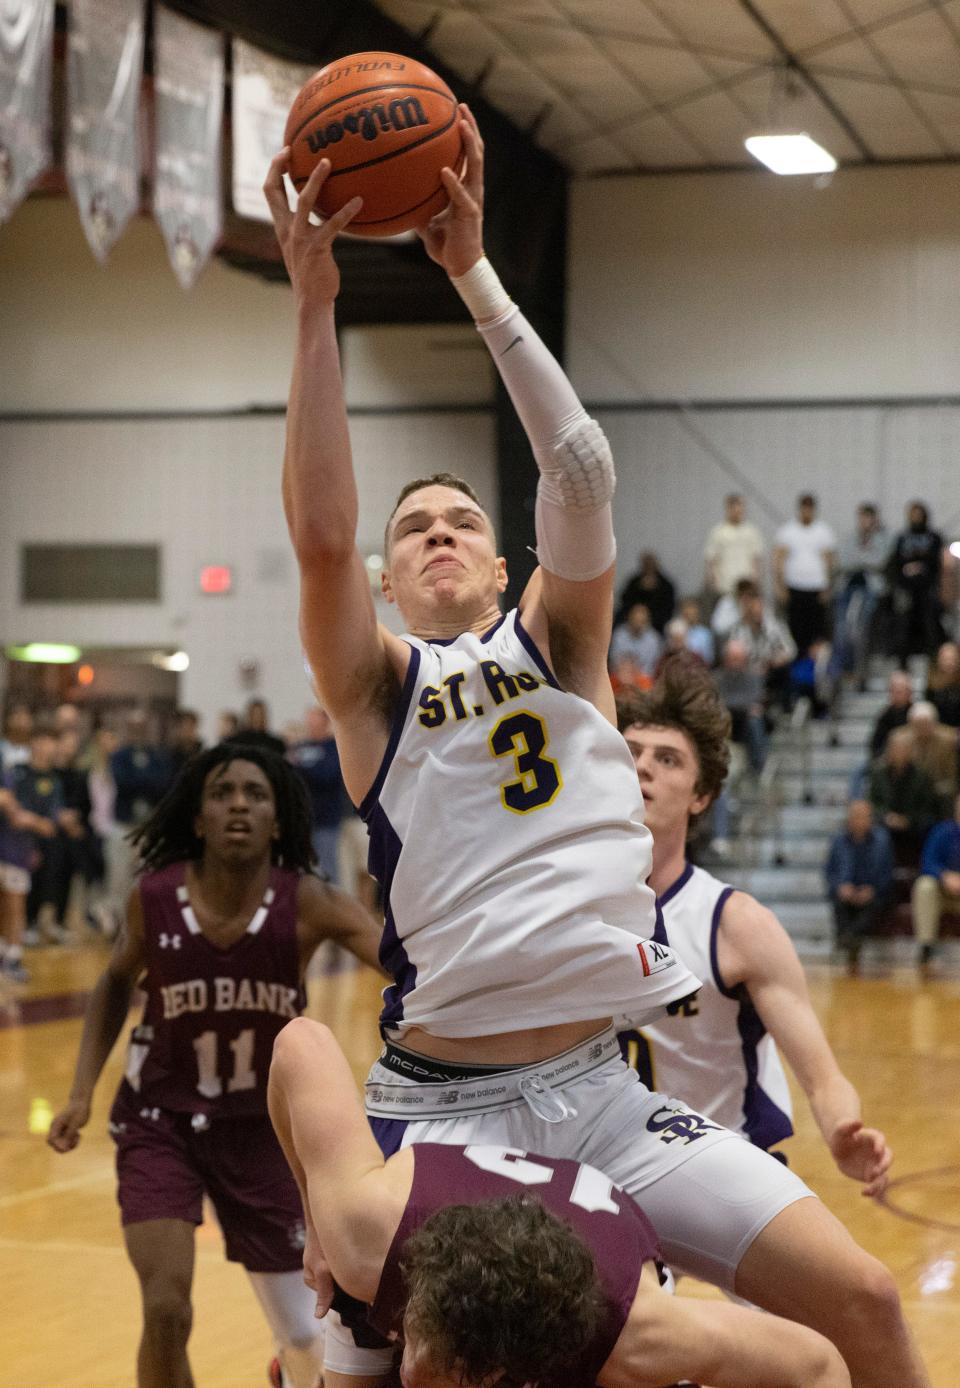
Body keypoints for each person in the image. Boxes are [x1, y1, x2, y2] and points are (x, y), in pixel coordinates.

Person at [265, 109, 926, 1384]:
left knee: (868, 1300)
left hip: (607, 1093)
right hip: (439, 1109)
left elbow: (576, 462)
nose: (441, 532)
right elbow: (316, 533)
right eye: (417, 531)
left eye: (463, 517)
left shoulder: (561, 640)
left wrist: (470, 267)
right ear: (393, 580)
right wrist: (311, 310)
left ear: (503, 563)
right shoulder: (373, 682)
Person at [47, 743, 384, 1388]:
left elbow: (406, 968)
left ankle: (288, 1373)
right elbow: (116, 981)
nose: (238, 804)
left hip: (262, 1134)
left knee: (304, 1334)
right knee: (166, 1306)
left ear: (279, 819)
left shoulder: (307, 901)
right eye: (222, 793)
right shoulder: (155, 897)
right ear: (198, 817)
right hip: (159, 1122)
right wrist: (82, 1093)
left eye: (255, 795)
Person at [267, 1017, 851, 1388]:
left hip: (601, 1278)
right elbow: (302, 1041)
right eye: (412, 1332)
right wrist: (317, 1217)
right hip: (414, 1210)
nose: (409, 1363)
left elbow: (819, 1365)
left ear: (495, 1376)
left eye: (422, 1352)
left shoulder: (641, 1340)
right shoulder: (367, 1231)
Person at [615, 669, 892, 1195]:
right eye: (631, 752)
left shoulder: (736, 924)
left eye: (667, 758)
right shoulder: (566, 908)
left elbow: (823, 1076)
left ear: (702, 797)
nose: (643, 766)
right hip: (605, 1175)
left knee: (868, 1283)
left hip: (723, 1172)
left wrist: (840, 1131)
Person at [825, 801, 895, 972]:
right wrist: (840, 887)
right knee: (839, 900)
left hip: (874, 892)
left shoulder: (882, 840)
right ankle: (849, 941)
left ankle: (847, 939)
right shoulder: (839, 841)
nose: (858, 820)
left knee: (873, 905)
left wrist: (872, 889)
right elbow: (829, 871)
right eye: (855, 816)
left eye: (863, 816)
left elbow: (887, 873)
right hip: (846, 891)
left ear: (870, 819)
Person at [830, 503, 890, 686]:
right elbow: (843, 561)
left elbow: (879, 561)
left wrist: (861, 558)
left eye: (868, 518)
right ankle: (842, 670)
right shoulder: (850, 538)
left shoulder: (882, 539)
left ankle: (860, 671)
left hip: (869, 589)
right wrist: (864, 558)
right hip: (848, 587)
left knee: (861, 632)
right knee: (842, 630)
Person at [773, 493, 836, 655]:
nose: (807, 512)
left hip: (816, 588)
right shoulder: (788, 531)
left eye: (810, 508)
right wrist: (780, 586)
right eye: (804, 508)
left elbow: (830, 562)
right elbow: (778, 560)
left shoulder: (823, 531)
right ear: (800, 509)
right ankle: (797, 660)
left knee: (815, 630)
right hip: (794, 587)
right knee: (796, 628)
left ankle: (812, 663)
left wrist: (828, 586)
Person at [868, 730, 941, 870]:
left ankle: (921, 870)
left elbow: (928, 806)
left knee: (929, 827)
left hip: (913, 823)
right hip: (886, 822)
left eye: (902, 749)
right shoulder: (878, 774)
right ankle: (879, 875)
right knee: (877, 835)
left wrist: (908, 820)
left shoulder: (921, 776)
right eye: (895, 748)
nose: (898, 753)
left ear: (909, 751)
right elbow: (872, 802)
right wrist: (886, 817)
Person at [288, 706, 345, 884]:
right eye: (308, 720)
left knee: (327, 871)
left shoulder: (334, 747)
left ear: (325, 722)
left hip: (326, 821)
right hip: (302, 821)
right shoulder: (300, 747)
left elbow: (327, 774)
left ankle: (331, 910)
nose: (310, 724)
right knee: (302, 872)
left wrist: (301, 767)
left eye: (314, 720)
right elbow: (287, 773)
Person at [887, 501, 946, 666]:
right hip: (906, 588)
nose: (916, 518)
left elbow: (936, 563)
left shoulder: (934, 537)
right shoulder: (902, 537)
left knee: (931, 624)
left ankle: (933, 662)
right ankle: (902, 665)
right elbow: (896, 563)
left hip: (927, 588)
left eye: (918, 514)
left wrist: (919, 564)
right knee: (901, 624)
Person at [911, 791, 960, 973]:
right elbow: (927, 861)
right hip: (944, 891)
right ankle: (926, 947)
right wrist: (944, 876)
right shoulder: (942, 831)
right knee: (924, 885)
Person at [703, 492, 765, 604]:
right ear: (728, 509)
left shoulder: (751, 531)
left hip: (746, 587)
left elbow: (756, 559)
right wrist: (713, 584)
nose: (738, 513)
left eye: (740, 509)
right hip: (725, 587)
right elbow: (711, 559)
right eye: (734, 509)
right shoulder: (718, 532)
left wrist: (756, 583)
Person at [614, 550, 675, 631]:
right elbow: (625, 600)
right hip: (633, 615)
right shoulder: (634, 582)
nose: (649, 567)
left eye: (651, 565)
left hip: (657, 619)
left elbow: (668, 606)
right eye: (646, 565)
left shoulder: (666, 584)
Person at [608, 601, 661, 685]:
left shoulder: (653, 639)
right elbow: (614, 661)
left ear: (647, 621)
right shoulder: (619, 634)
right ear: (629, 618)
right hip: (620, 677)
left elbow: (651, 667)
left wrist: (636, 676)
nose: (638, 624)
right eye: (635, 619)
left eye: (641, 621)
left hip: (643, 679)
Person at [924, 640, 960, 729]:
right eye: (946, 659)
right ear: (939, 660)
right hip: (939, 730)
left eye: (952, 658)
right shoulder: (932, 683)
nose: (949, 662)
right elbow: (930, 709)